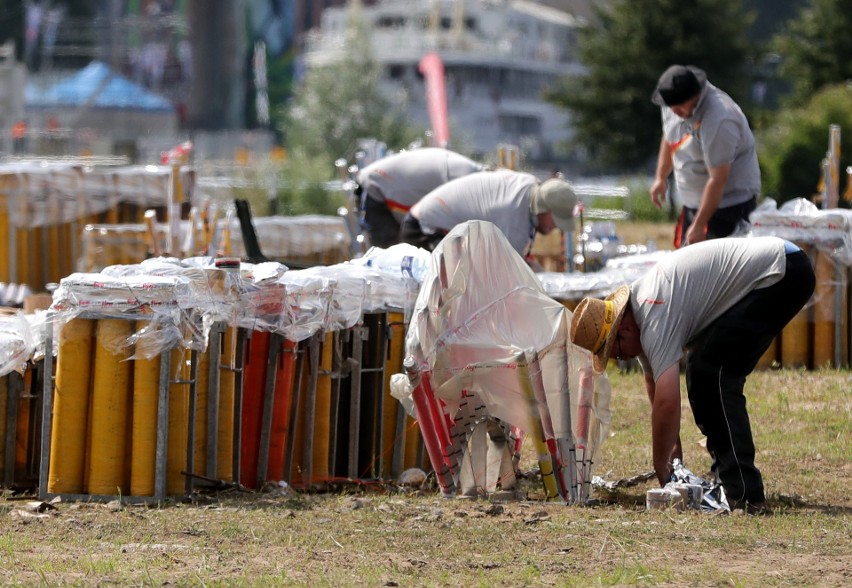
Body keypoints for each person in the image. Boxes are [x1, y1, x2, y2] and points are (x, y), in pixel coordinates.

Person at [569, 236, 815, 513]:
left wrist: (661, 466)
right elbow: (655, 384)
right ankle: (729, 476)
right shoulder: (639, 313)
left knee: (711, 374)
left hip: (780, 274)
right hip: (783, 264)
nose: (623, 359)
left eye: (618, 353)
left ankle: (743, 492)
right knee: (705, 368)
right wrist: (674, 456)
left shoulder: (653, 315)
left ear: (623, 331)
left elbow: (668, 402)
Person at [650, 65, 761, 248]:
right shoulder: (673, 104)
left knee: (721, 270)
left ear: (695, 96)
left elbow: (718, 178)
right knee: (686, 268)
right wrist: (660, 178)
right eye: (670, 106)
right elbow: (670, 137)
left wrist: (700, 224)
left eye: (678, 106)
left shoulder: (720, 119)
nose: (673, 111)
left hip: (728, 208)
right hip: (694, 205)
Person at [400, 169, 577, 258]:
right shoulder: (514, 219)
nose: (554, 228)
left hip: (431, 222)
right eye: (555, 221)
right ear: (543, 209)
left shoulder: (530, 186)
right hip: (424, 231)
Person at [354, 147, 483, 248]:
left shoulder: (472, 175)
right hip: (375, 187)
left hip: (387, 184)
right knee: (392, 254)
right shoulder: (470, 182)